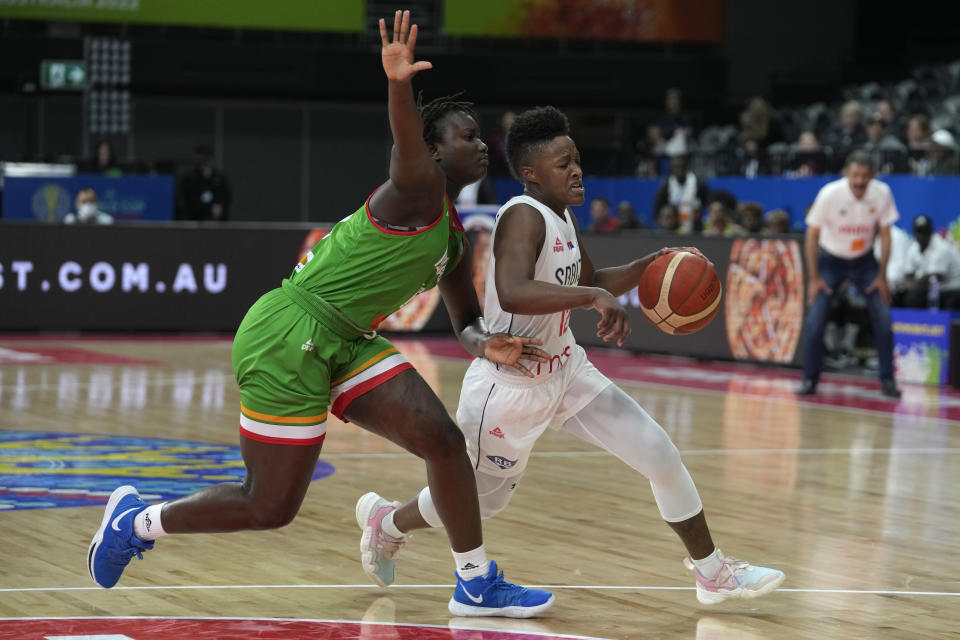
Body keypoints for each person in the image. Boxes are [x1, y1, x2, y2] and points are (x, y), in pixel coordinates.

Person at [87, 10, 555, 619]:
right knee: (270, 507)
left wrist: (484, 342)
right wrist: (396, 83)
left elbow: (464, 318)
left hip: (347, 340)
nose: (479, 144)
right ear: (434, 151)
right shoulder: (414, 188)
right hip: (288, 330)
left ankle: (475, 582)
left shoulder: (452, 238)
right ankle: (138, 522)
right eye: (465, 135)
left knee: (443, 442)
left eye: (478, 134)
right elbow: (405, 141)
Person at [356, 105, 785, 606]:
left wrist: (651, 266)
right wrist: (592, 299)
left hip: (566, 367)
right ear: (531, 174)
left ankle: (713, 574)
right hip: (510, 385)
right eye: (563, 165)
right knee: (482, 501)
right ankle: (389, 522)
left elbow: (594, 282)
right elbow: (513, 290)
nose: (576, 169)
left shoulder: (562, 215)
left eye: (577, 160)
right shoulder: (521, 215)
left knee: (660, 454)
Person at [799, 151, 901, 398]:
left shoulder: (882, 193)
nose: (859, 181)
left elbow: (886, 235)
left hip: (864, 261)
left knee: (884, 319)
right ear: (846, 174)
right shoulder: (830, 194)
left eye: (865, 176)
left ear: (873, 176)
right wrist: (814, 279)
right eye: (855, 175)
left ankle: (888, 380)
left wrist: (882, 276)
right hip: (831, 259)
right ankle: (810, 379)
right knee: (815, 320)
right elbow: (811, 236)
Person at [895, 215, 960, 309]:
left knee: (917, 296)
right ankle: (911, 323)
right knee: (903, 296)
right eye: (919, 232)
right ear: (914, 233)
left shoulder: (941, 247)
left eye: (925, 232)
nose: (921, 236)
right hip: (933, 290)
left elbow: (932, 279)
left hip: (952, 289)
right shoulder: (914, 248)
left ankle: (934, 323)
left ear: (930, 232)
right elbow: (908, 275)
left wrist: (911, 284)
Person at [652, 136, 708, 234]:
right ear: (672, 168)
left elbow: (707, 204)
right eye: (676, 168)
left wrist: (699, 217)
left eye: (681, 167)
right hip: (673, 231)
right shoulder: (666, 185)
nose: (679, 171)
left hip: (694, 229)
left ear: (686, 166)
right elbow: (657, 209)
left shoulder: (698, 183)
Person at [176, 144, 232, 221]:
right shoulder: (189, 178)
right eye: (202, 158)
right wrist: (209, 209)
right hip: (195, 220)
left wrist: (220, 207)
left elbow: (226, 197)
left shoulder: (220, 177)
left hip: (218, 221)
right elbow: (189, 200)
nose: (205, 162)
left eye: (207, 158)